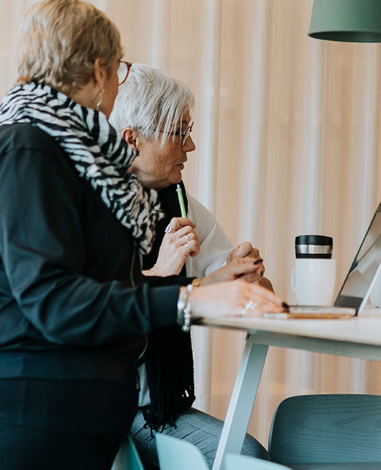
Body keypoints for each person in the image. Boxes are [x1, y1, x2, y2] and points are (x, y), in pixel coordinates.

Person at [0, 0, 285, 470]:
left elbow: (102, 290)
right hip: (34, 421)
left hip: (67, 422)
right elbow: (54, 301)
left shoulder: (73, 162)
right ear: (99, 70)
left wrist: (205, 286)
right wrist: (190, 300)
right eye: (121, 68)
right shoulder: (27, 150)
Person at [109, 65, 273, 468]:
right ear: (132, 140)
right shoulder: (89, 208)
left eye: (189, 130)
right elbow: (86, 306)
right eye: (179, 133)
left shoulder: (184, 209)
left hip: (157, 405)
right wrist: (163, 274)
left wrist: (245, 275)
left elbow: (257, 296)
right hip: (103, 403)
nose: (192, 145)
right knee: (247, 458)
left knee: (247, 456)